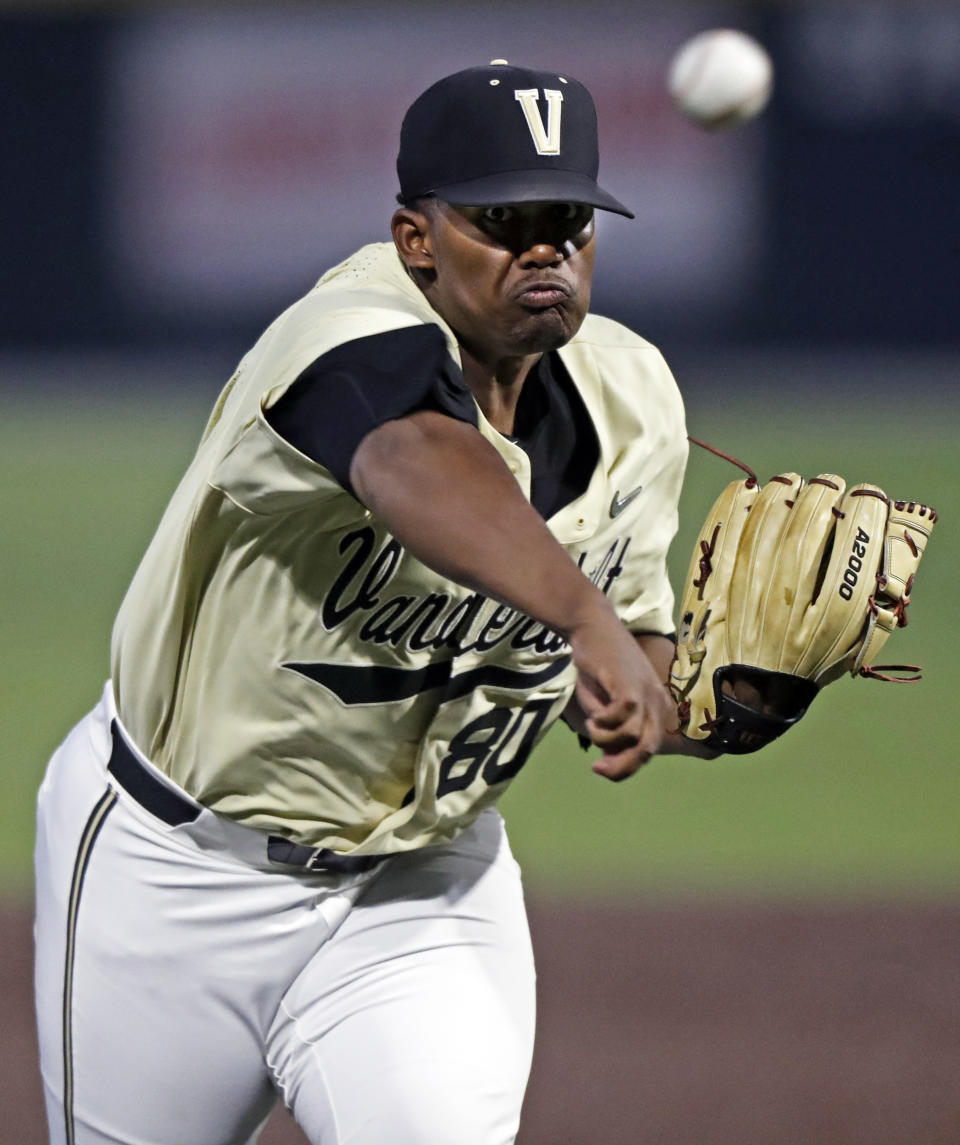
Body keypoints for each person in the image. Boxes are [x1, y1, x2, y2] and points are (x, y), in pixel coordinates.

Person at [34, 61, 713, 1145]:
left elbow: (623, 678)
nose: (546, 247)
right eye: (503, 217)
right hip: (172, 869)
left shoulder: (636, 395)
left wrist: (721, 699)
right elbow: (414, 460)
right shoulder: (343, 335)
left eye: (571, 220)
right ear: (416, 240)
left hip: (422, 884)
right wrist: (585, 615)